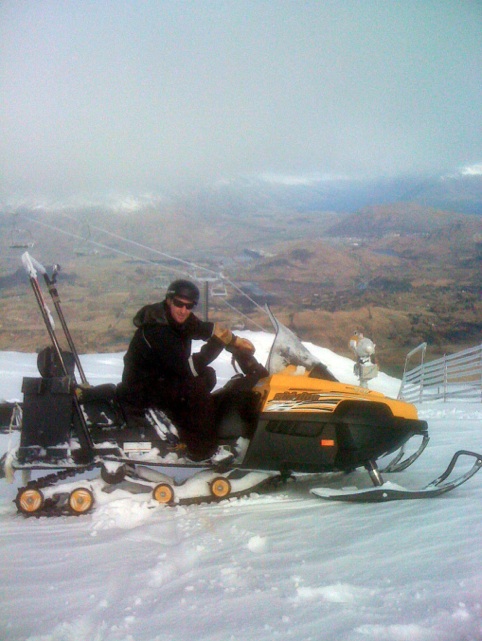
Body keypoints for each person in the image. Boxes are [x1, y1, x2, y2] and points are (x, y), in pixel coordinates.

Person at [121, 279, 257, 463]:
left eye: (189, 306)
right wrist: (217, 344)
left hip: (160, 378)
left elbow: (201, 328)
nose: (183, 310)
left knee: (208, 376)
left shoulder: (171, 318)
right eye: (179, 303)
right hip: (141, 388)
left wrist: (233, 340)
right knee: (196, 390)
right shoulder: (158, 330)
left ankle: (184, 421)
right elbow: (187, 368)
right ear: (169, 300)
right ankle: (202, 450)